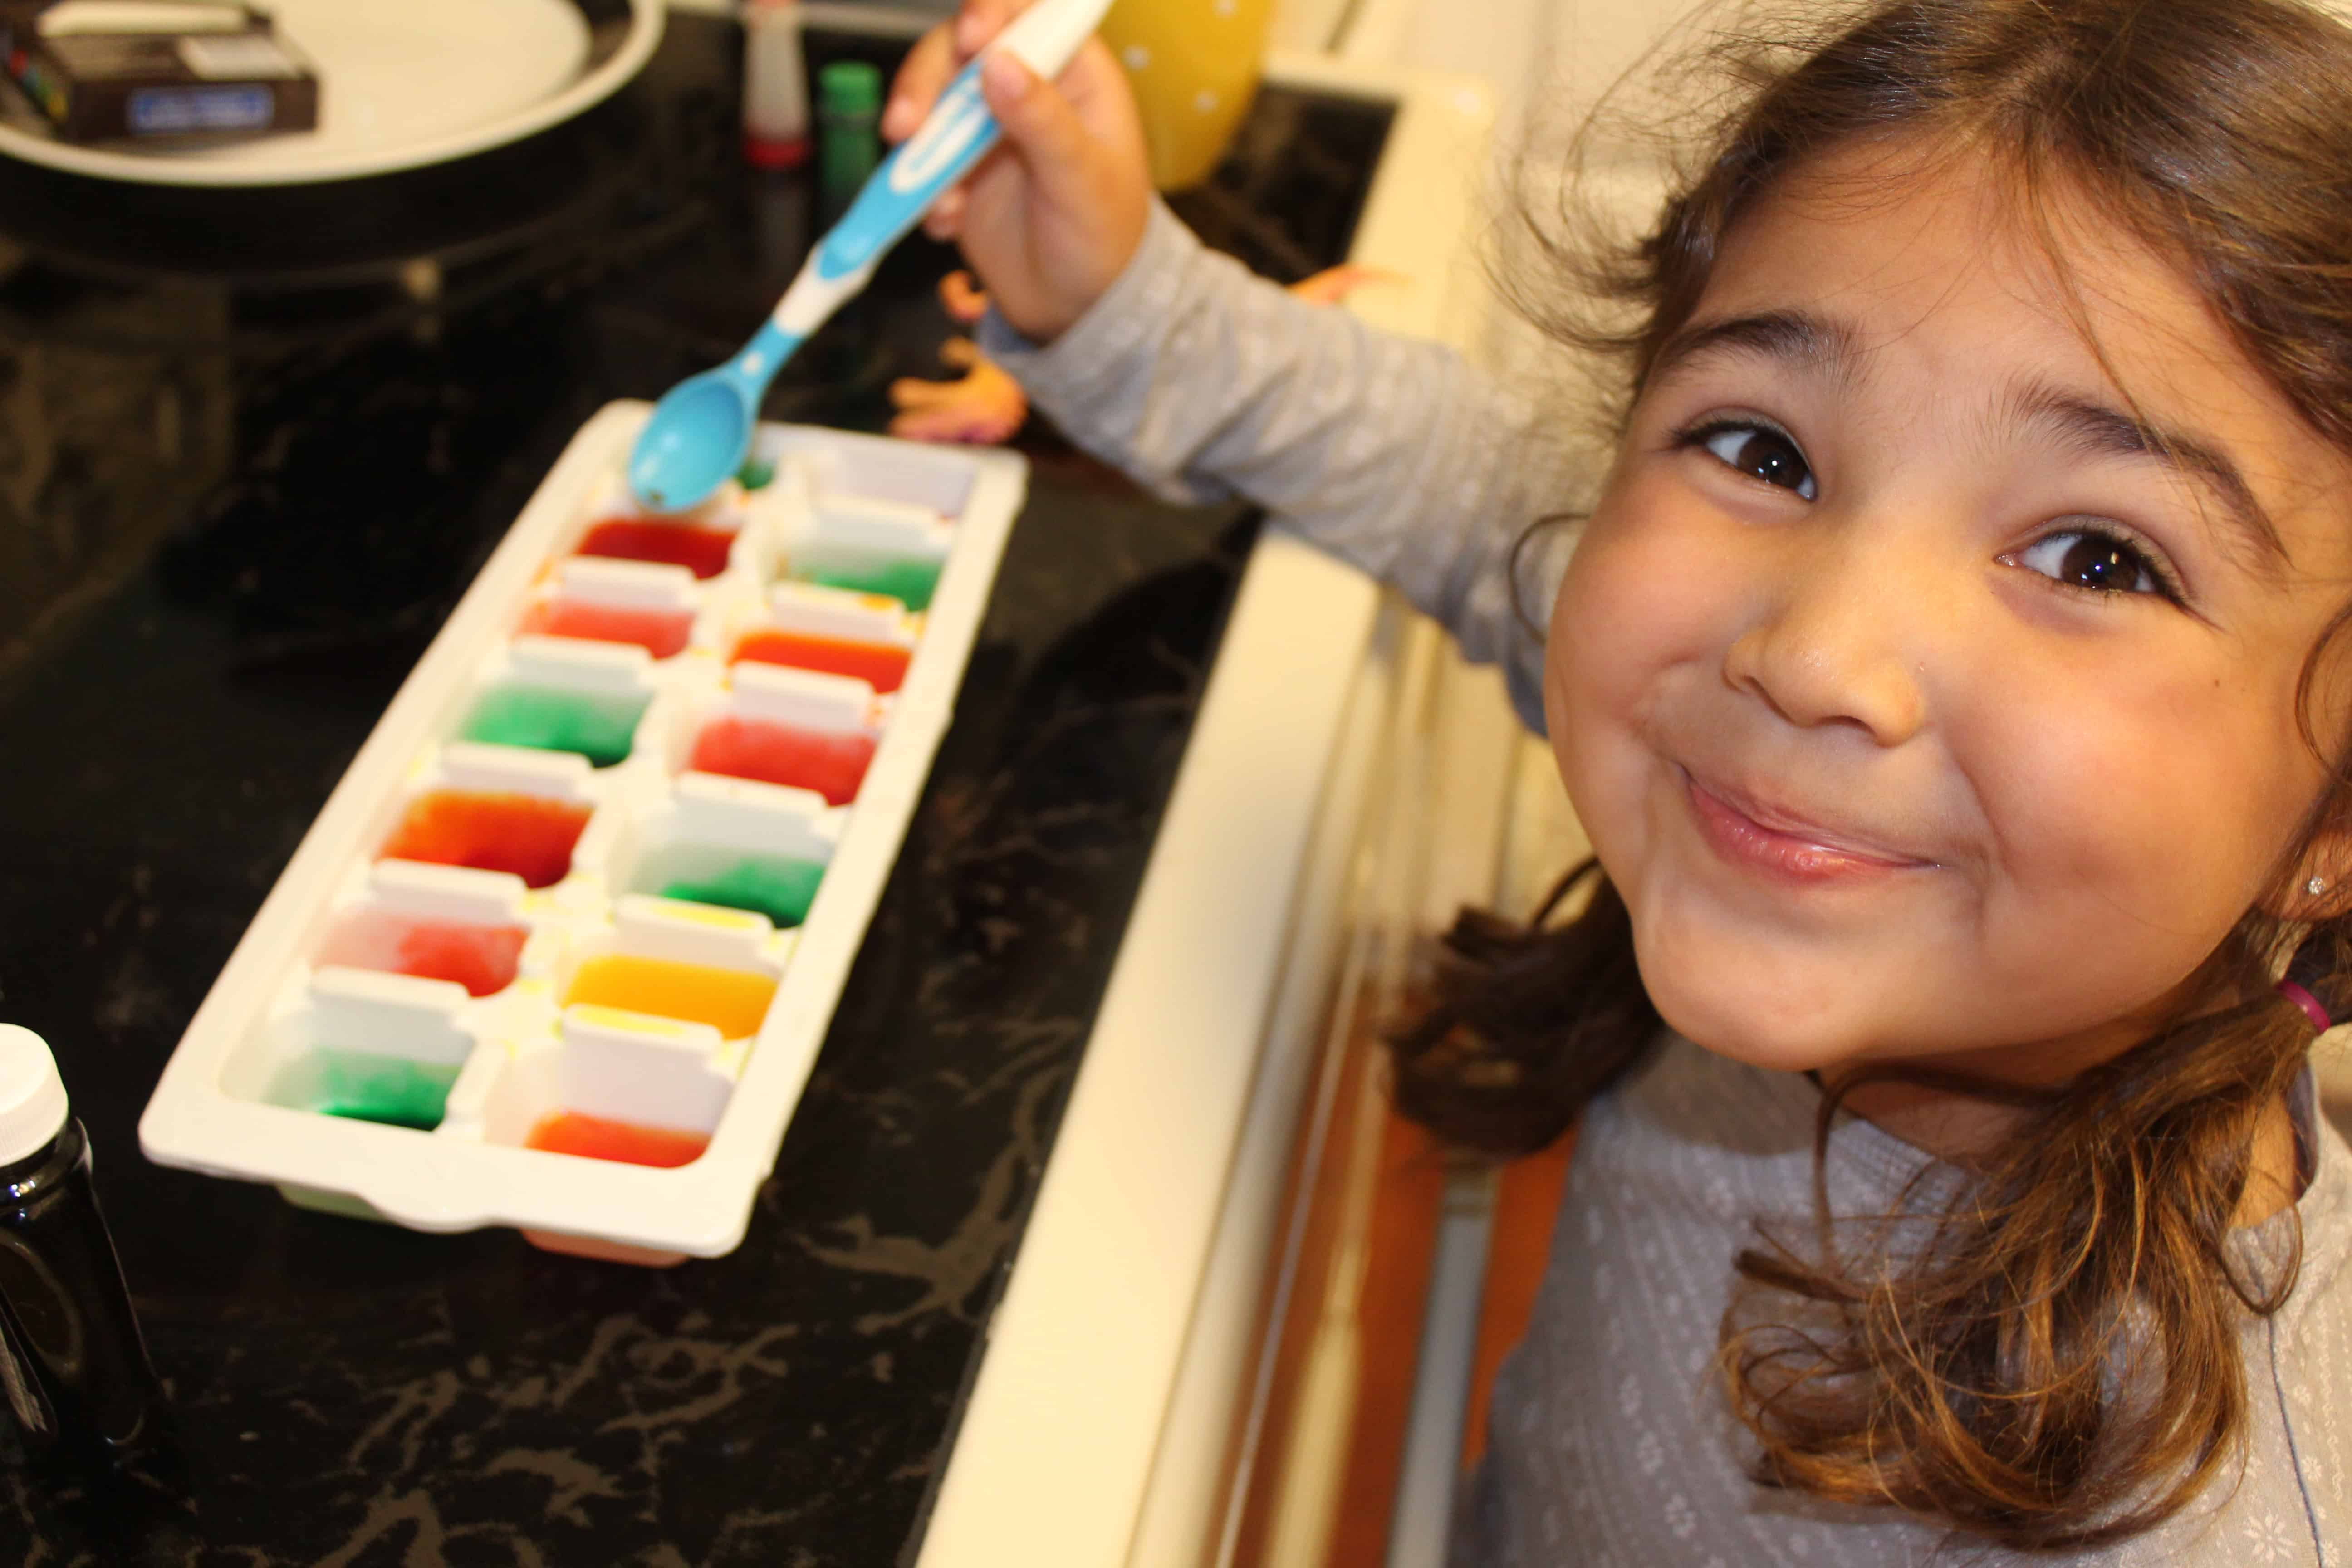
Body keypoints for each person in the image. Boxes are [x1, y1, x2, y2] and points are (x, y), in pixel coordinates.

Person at [887, 0, 2352, 1560]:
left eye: (2099, 558)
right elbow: (1470, 485)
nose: (1813, 655)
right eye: (1766, 453)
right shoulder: (1817, 842)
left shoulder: (2200, 1525)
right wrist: (1121, 299)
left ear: (2330, 827)